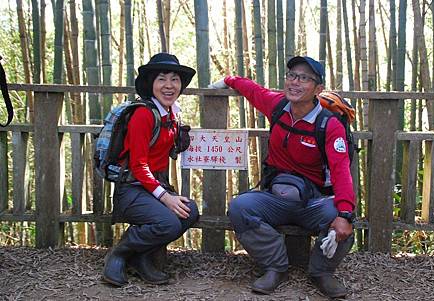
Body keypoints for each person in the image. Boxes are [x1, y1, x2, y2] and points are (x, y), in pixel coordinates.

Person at [209, 56, 354, 298]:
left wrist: (345, 213)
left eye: (305, 78)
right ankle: (275, 266)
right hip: (274, 198)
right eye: (292, 76)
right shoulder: (277, 106)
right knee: (239, 207)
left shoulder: (328, 125)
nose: (295, 82)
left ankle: (322, 272)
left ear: (318, 89)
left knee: (340, 216)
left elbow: (341, 171)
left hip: (312, 202)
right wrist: (228, 79)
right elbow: (252, 90)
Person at [103, 52, 199, 287]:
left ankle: (142, 257)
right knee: (168, 223)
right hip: (132, 189)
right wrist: (165, 197)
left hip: (153, 187)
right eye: (161, 79)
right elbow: (138, 165)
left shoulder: (171, 114)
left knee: (190, 211)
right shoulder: (143, 114)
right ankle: (119, 254)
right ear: (150, 84)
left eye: (174, 79)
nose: (169, 85)